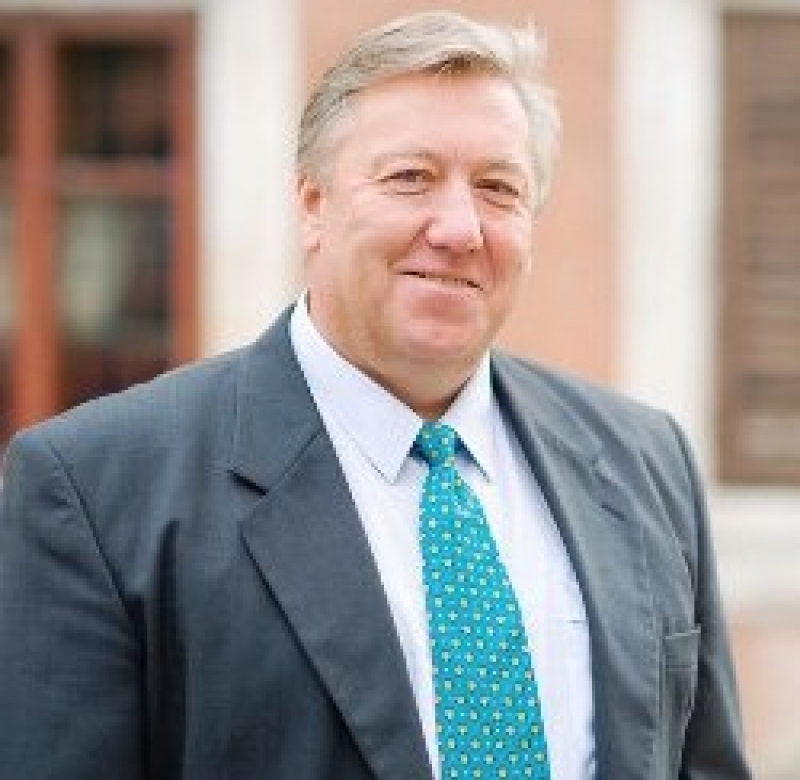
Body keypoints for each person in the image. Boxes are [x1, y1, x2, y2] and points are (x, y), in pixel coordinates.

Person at [0, 10, 751, 780]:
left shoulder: (644, 461)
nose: (459, 228)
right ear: (312, 205)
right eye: (410, 178)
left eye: (498, 188)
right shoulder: (96, 489)